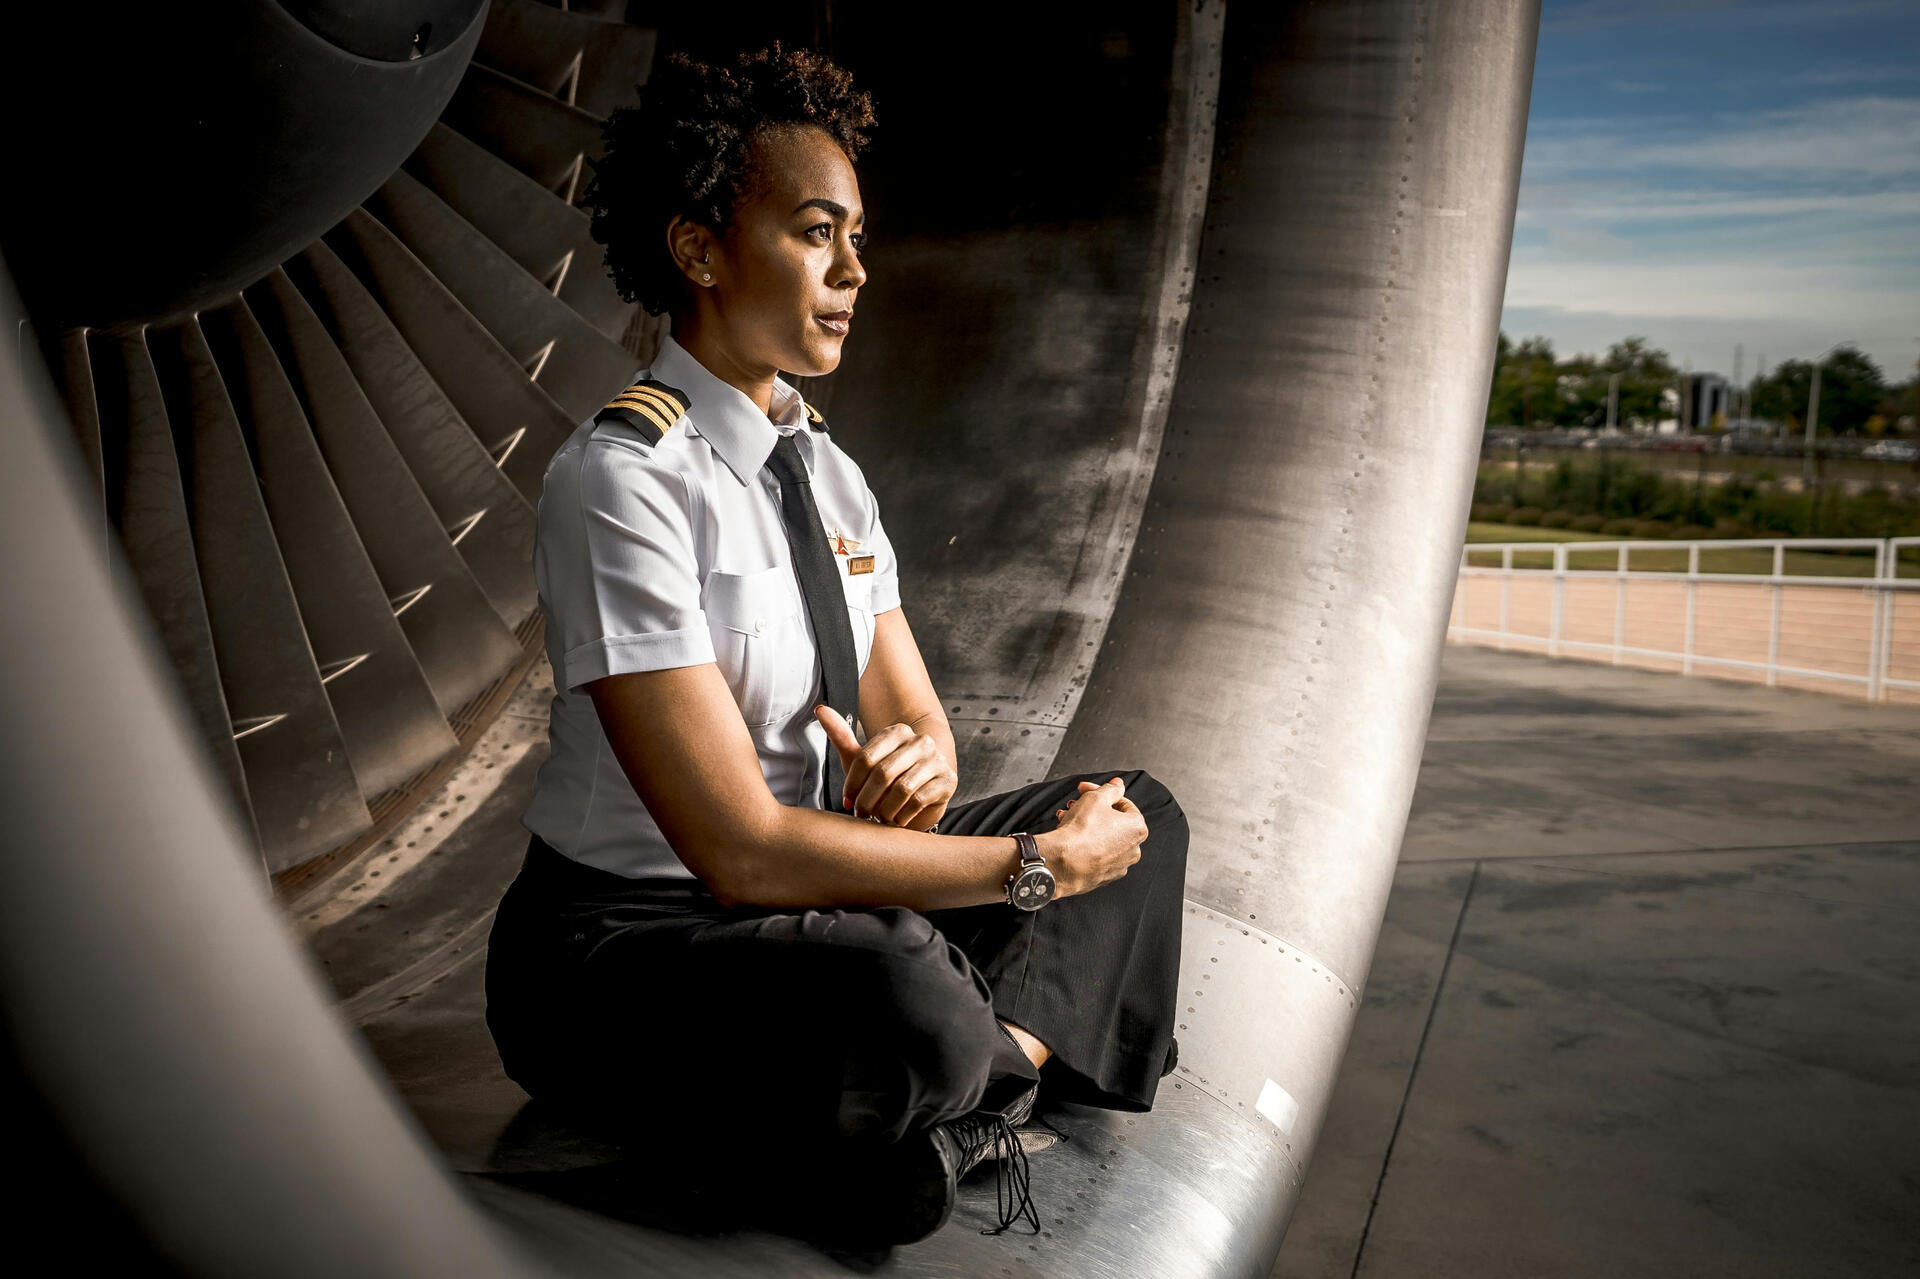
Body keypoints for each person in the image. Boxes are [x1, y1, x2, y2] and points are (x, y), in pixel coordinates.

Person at [483, 42, 1189, 1248]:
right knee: (896, 973)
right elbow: (740, 851)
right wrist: (1033, 874)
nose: (856, 269)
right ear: (701, 249)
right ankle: (976, 1070)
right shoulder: (623, 483)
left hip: (816, 891)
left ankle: (950, 1097)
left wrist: (921, 770)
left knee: (1135, 810)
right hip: (628, 943)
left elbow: (919, 723)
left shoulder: (830, 472)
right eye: (818, 232)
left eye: (857, 235)